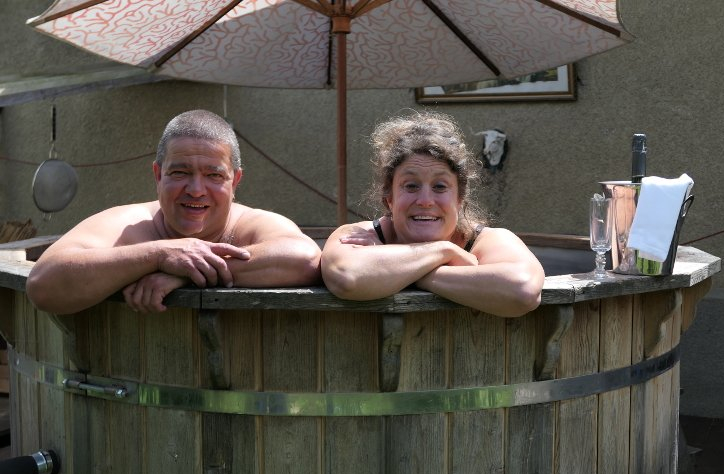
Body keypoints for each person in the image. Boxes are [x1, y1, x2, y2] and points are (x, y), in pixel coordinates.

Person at [26, 109, 321, 314]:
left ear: (235, 181)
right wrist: (158, 256)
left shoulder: (250, 223)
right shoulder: (129, 224)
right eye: (180, 172)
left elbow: (305, 259)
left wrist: (190, 273)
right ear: (158, 175)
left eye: (214, 175)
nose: (196, 189)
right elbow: (42, 286)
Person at [321, 111, 544, 318]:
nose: (425, 201)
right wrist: (445, 251)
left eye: (439, 186)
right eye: (411, 186)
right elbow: (346, 277)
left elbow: (522, 290)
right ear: (390, 198)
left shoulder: (487, 240)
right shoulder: (359, 234)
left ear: (459, 198)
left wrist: (404, 272)